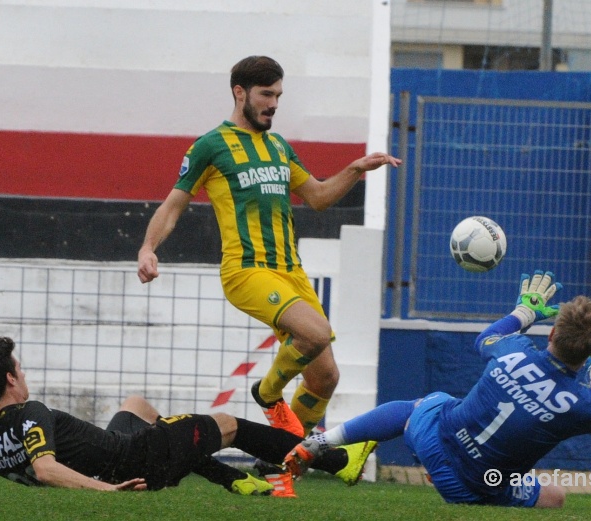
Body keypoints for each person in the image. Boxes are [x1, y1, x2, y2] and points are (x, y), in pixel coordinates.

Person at [136, 55, 401, 438]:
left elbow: (318, 197)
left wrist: (355, 169)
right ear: (239, 92)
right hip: (247, 270)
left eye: (278, 94)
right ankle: (267, 391)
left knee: (325, 377)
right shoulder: (210, 146)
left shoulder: (278, 146)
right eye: (266, 94)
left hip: (290, 272)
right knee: (316, 333)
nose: (274, 103)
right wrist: (148, 248)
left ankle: (282, 457)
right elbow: (174, 204)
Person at [0, 337, 372, 497]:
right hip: (133, 465)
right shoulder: (33, 413)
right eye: (19, 368)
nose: (24, 374)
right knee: (227, 423)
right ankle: (334, 460)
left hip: (116, 449)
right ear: (9, 381)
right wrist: (106, 492)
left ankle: (238, 486)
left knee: (136, 404)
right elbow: (45, 468)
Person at [285, 270, 591, 508]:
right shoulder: (582, 404)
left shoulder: (513, 349)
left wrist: (525, 311)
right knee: (556, 496)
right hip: (473, 487)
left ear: (551, 336)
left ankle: (322, 441)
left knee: (430, 404)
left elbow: (485, 338)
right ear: (589, 352)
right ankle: (446, 473)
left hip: (431, 440)